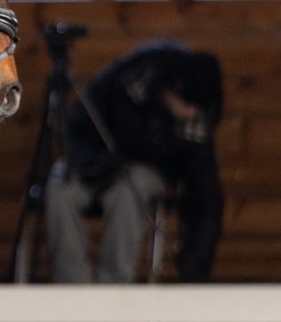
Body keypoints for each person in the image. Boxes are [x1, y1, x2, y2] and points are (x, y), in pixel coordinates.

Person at [47, 41, 225, 283]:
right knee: (60, 188)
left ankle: (114, 289)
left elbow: (206, 195)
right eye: (186, 104)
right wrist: (89, 162)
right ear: (174, 89)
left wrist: (194, 267)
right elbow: (80, 126)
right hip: (96, 161)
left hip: (148, 171)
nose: (190, 114)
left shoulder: (196, 130)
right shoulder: (123, 81)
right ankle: (72, 289)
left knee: (130, 189)